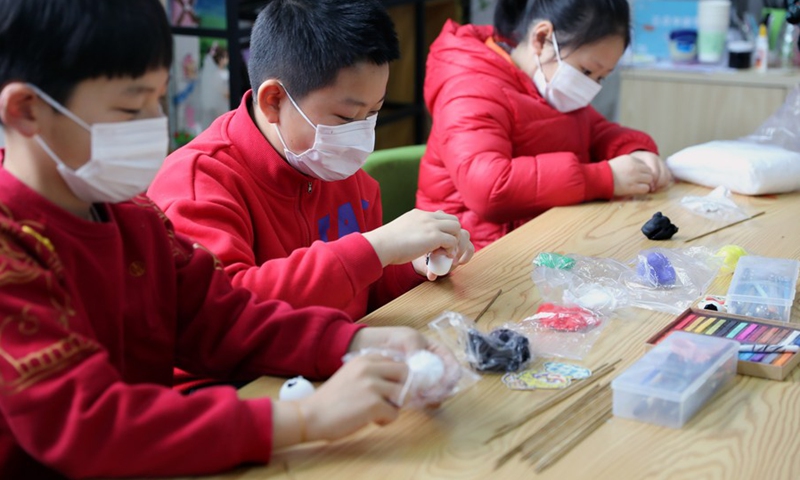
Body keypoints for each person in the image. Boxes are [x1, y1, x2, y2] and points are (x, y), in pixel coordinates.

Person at [0, 1, 450, 477]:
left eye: (158, 99)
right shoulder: (13, 248)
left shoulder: (133, 217)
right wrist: (303, 418)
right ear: (27, 111)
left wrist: (353, 343)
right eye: (132, 108)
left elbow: (222, 317)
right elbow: (89, 426)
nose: (156, 125)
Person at [148, 0, 474, 325]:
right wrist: (376, 248)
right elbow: (224, 309)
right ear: (273, 101)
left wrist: (414, 264)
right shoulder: (199, 183)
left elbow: (366, 295)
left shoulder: (341, 171)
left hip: (339, 359)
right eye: (346, 116)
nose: (361, 134)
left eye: (373, 113)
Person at [417, 0, 672, 251]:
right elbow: (490, 188)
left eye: (601, 77)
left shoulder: (545, 84)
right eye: (586, 71)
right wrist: (606, 177)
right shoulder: (470, 87)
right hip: (471, 252)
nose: (592, 85)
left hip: (540, 239)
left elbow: (594, 131)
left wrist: (635, 151)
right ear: (541, 38)